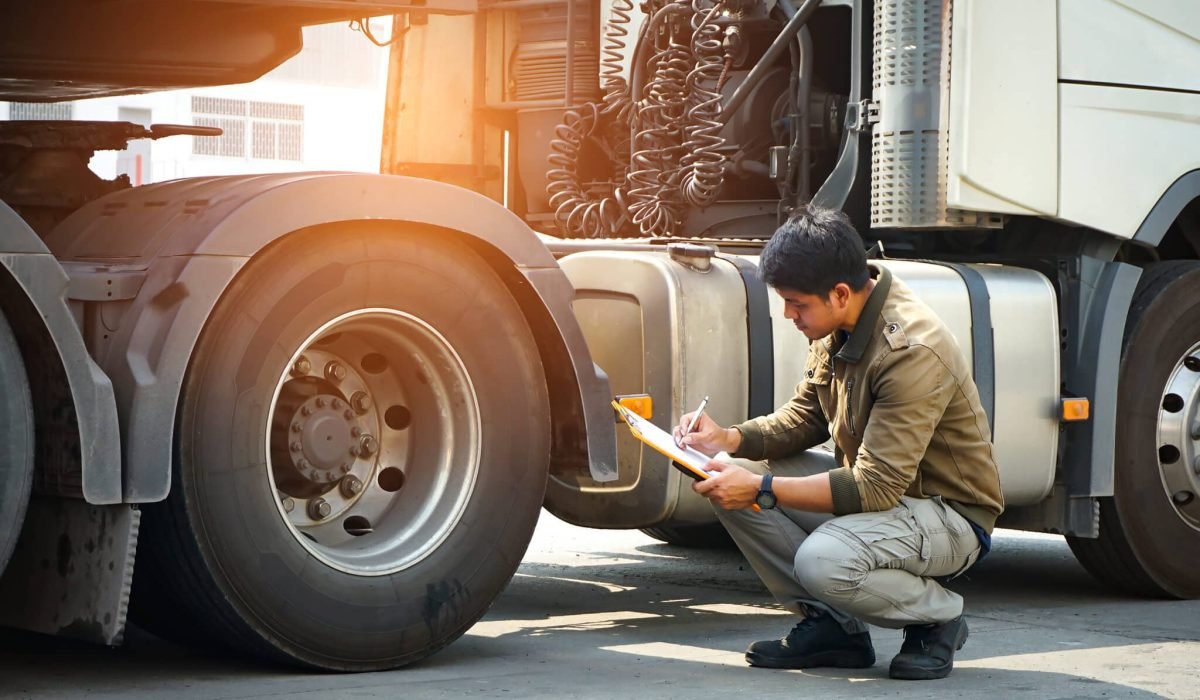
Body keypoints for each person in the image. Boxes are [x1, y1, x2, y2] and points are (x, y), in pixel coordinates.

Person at [675, 204, 1003, 681]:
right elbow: (806, 417)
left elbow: (873, 488)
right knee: (722, 477)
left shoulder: (910, 349)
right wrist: (727, 438)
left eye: (797, 304)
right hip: (889, 499)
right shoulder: (841, 320)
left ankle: (938, 617)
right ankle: (834, 629)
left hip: (948, 514)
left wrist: (762, 487)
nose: (789, 315)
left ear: (841, 292)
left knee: (822, 558)